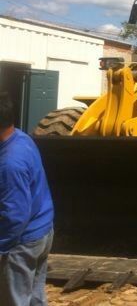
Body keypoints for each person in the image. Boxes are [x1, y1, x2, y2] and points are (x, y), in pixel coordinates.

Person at [0, 93, 54, 306]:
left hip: (21, 242)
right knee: (34, 297)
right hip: (43, 230)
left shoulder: (10, 164)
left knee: (15, 300)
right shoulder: (22, 138)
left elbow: (14, 216)